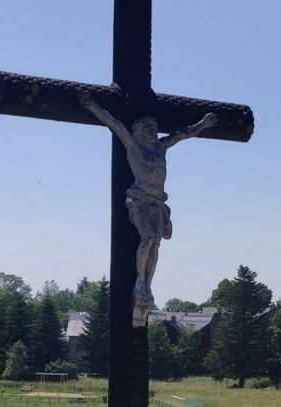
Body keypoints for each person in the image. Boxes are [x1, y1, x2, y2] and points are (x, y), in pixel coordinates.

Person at [79, 92, 218, 326]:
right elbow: (113, 122)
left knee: (155, 243)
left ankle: (146, 287)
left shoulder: (161, 147)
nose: (155, 131)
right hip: (140, 199)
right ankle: (140, 283)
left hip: (157, 202)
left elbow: (183, 134)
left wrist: (203, 124)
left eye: (156, 128)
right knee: (149, 238)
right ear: (140, 131)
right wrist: (92, 105)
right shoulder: (133, 145)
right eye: (150, 128)